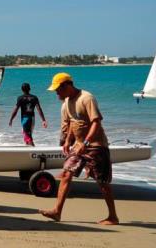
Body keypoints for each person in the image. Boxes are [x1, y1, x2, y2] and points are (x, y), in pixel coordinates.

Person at [40, 72, 118, 225]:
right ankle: (57, 211)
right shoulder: (67, 102)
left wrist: (86, 143)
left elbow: (96, 122)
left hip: (95, 146)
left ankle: (113, 216)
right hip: (78, 146)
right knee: (67, 174)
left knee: (102, 182)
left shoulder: (86, 98)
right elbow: (73, 123)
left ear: (67, 85)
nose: (56, 93)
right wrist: (68, 140)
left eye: (58, 89)